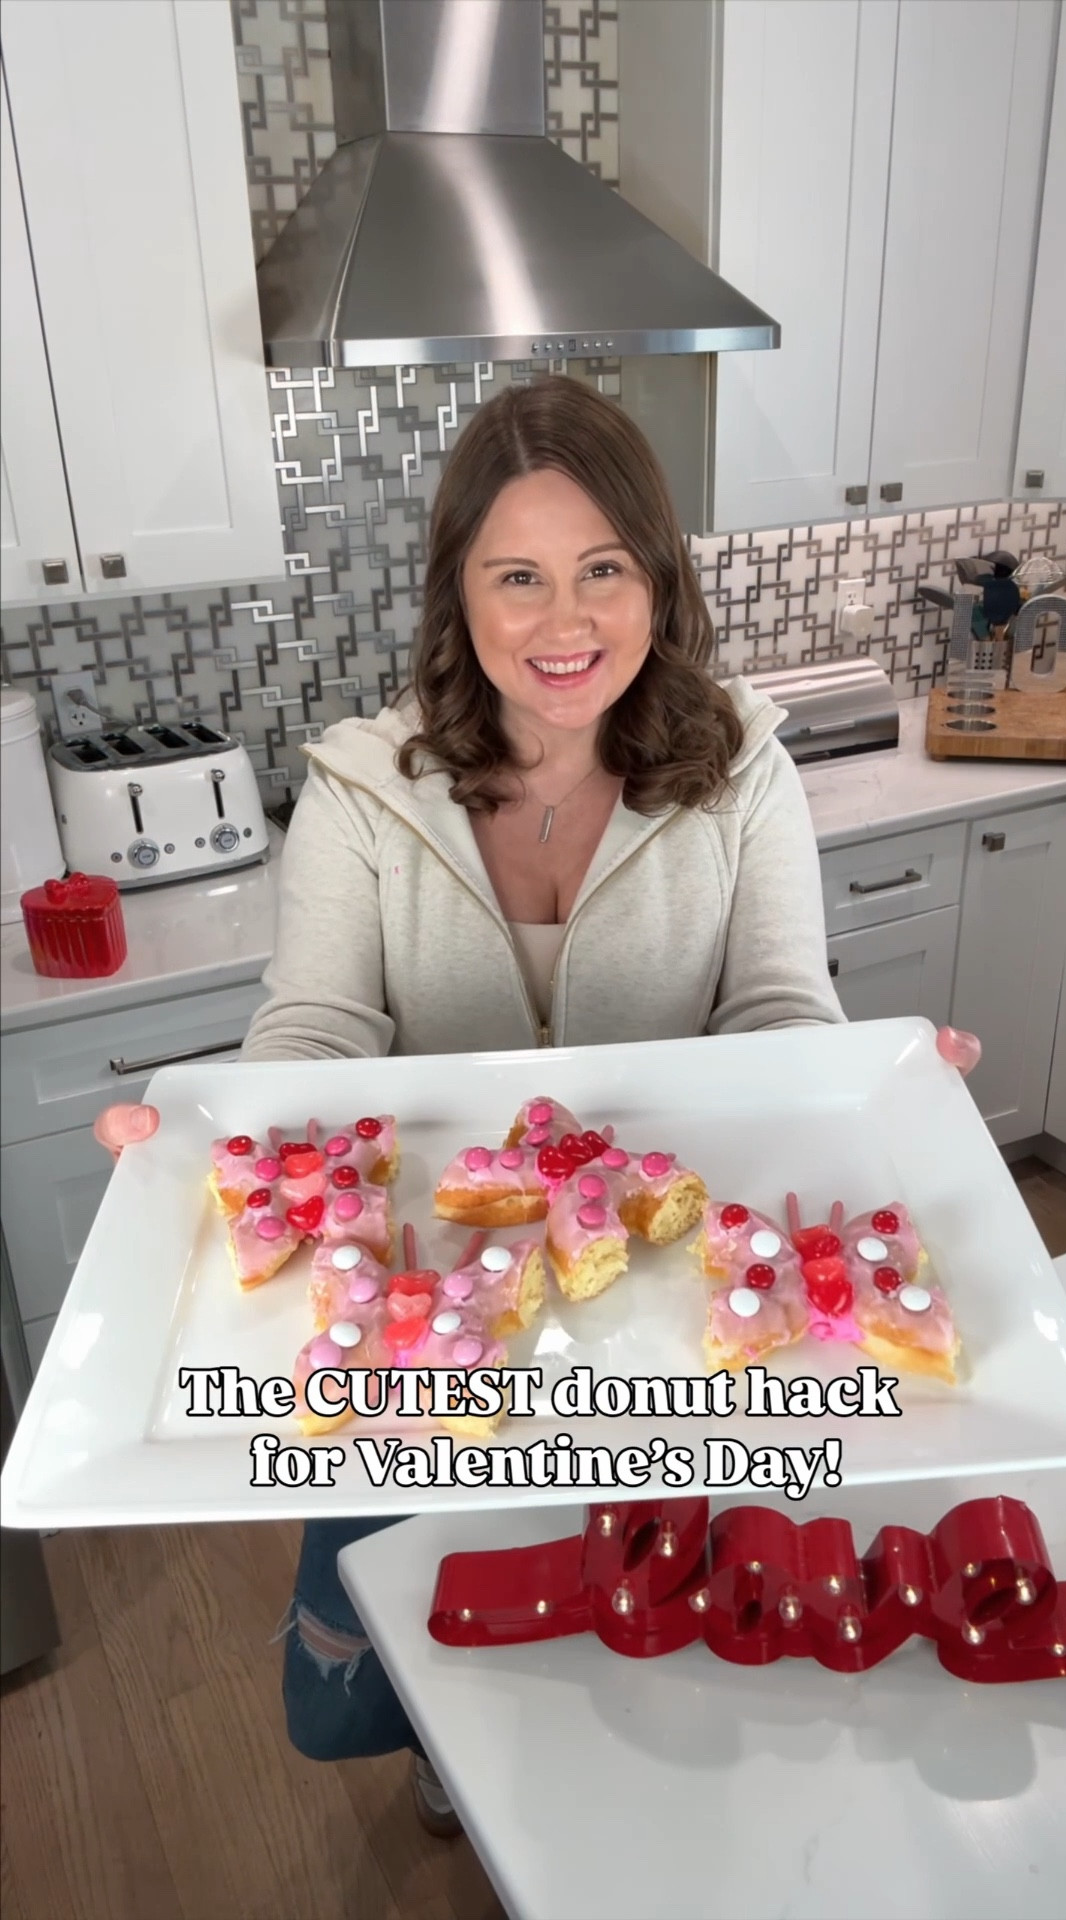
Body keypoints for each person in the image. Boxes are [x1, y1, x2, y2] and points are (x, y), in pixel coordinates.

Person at [96, 376, 981, 1836]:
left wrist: (876, 1092)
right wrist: (227, 1143)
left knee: (639, 1636)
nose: (563, 624)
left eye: (602, 571)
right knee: (385, 1668)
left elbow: (778, 1015)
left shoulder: (742, 767)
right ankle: (457, 1765)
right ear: (458, 589)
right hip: (435, 1317)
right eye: (517, 575)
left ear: (656, 579)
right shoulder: (363, 785)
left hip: (665, 1313)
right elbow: (316, 1030)